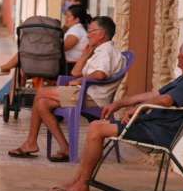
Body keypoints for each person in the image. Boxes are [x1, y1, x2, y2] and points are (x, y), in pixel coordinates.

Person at [47, 34, 183, 191]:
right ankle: (78, 181)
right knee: (97, 125)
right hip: (150, 126)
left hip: (156, 132)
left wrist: (137, 109)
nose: (177, 55)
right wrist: (120, 103)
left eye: (180, 52)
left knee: (97, 129)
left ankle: (81, 186)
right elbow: (154, 94)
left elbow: (166, 100)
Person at [7, 16, 124, 162]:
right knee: (42, 103)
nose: (88, 35)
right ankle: (63, 147)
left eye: (91, 31)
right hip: (84, 94)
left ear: (101, 34)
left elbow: (100, 74)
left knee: (41, 93)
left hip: (90, 97)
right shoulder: (100, 51)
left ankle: (31, 143)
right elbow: (75, 72)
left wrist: (81, 80)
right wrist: (85, 55)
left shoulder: (106, 52)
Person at [0, 5, 91, 111]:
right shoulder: (75, 30)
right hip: (60, 65)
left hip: (67, 68)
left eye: (69, 16)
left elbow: (59, 48)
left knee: (25, 60)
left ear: (77, 19)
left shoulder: (77, 31)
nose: (66, 18)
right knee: (23, 70)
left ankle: (3, 79)